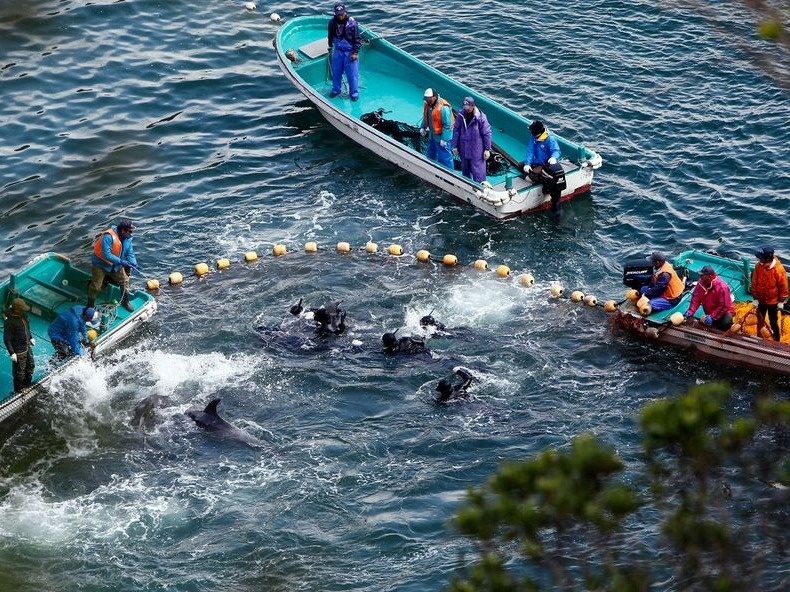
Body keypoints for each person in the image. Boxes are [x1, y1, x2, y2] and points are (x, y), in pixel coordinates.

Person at [88, 218, 138, 312]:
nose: (131, 233)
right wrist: (121, 261)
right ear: (123, 230)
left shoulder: (128, 238)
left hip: (116, 264)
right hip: (100, 264)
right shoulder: (108, 236)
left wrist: (134, 263)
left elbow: (129, 252)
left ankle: (125, 301)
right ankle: (90, 305)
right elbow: (106, 254)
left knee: (125, 281)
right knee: (96, 286)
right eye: (130, 231)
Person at [521, 120, 564, 215]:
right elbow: (530, 150)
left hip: (545, 164)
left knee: (531, 177)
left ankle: (545, 187)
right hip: (535, 162)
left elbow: (556, 151)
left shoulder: (550, 139)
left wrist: (553, 158)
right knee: (521, 166)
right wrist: (527, 163)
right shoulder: (533, 137)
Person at [750, 245, 789, 341]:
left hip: (773, 302)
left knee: (773, 322)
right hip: (760, 300)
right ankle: (759, 338)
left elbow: (783, 287)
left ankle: (776, 340)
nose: (759, 259)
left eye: (761, 258)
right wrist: (755, 298)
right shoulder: (758, 266)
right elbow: (754, 282)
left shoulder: (778, 270)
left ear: (767, 259)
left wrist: (781, 301)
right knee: (760, 320)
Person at [451, 96, 492, 183]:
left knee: (478, 174)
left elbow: (487, 133)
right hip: (464, 149)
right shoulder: (461, 115)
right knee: (465, 172)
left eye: (468, 108)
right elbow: (456, 130)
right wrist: (454, 146)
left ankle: (480, 189)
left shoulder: (481, 117)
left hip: (476, 151)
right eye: (465, 108)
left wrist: (487, 149)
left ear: (473, 106)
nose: (467, 110)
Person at [327, 2, 361, 101]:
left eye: (342, 14)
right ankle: (336, 90)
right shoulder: (332, 23)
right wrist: (330, 45)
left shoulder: (352, 23)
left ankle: (354, 93)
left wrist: (355, 53)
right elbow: (330, 36)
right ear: (335, 13)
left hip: (350, 52)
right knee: (336, 72)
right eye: (338, 14)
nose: (341, 16)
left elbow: (358, 40)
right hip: (338, 51)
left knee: (352, 75)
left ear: (345, 12)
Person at [683, 265, 735, 330]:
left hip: (725, 311)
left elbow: (724, 305)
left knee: (725, 323)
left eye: (702, 275)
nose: (700, 277)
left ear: (709, 276)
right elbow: (696, 298)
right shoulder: (701, 282)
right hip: (710, 312)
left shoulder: (722, 287)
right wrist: (691, 311)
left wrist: (712, 317)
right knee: (711, 323)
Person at [3, 298, 35, 392]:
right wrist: (12, 353)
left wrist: (31, 337)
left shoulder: (24, 316)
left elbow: (27, 328)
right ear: (17, 310)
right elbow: (7, 339)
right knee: (19, 373)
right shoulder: (9, 322)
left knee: (31, 366)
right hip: (19, 351)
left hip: (27, 346)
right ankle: (19, 390)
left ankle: (27, 385)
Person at [420, 88, 454, 168]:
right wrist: (423, 127)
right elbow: (426, 117)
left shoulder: (444, 108)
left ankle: (449, 174)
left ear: (434, 97)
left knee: (445, 158)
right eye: (426, 100)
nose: (428, 101)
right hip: (432, 135)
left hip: (441, 138)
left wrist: (444, 139)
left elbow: (447, 125)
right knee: (430, 154)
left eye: (429, 99)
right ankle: (429, 168)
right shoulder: (428, 105)